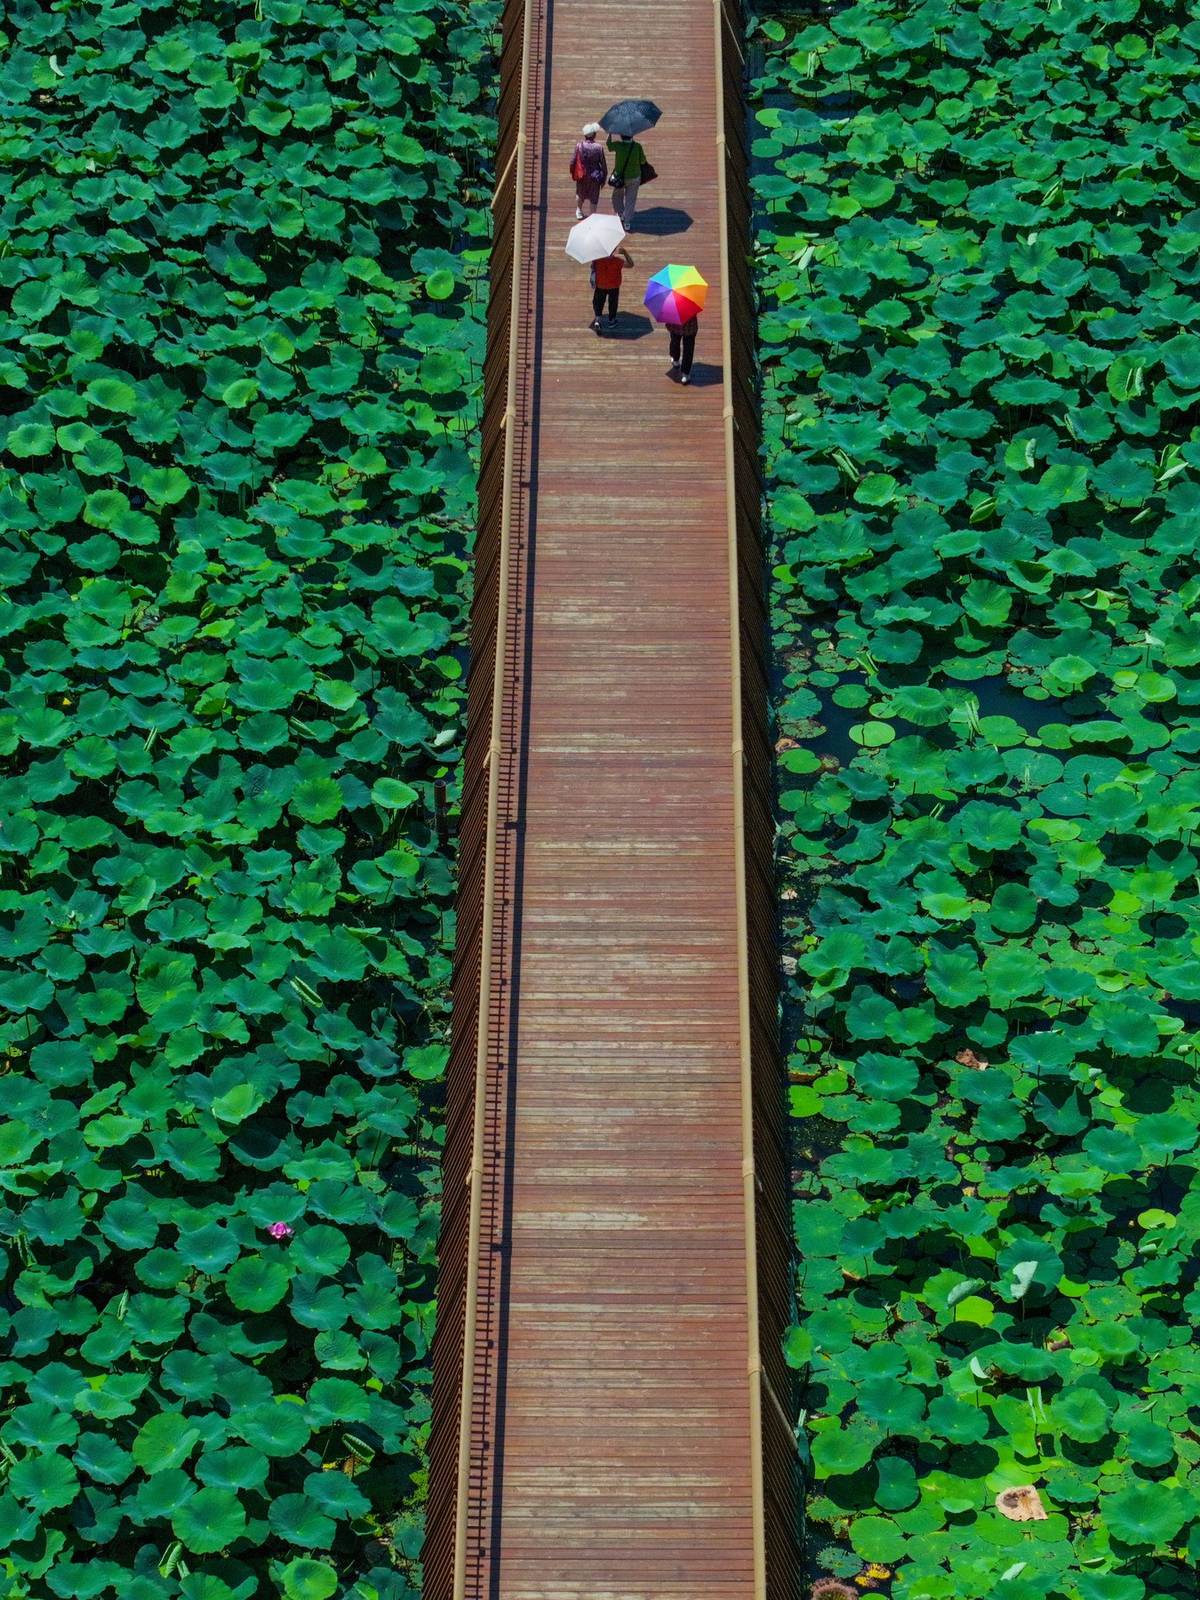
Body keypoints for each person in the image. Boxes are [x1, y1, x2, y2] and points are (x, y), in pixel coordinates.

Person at [590, 245, 634, 332]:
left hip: (600, 285)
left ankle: (598, 320)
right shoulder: (617, 261)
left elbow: (592, 267)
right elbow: (631, 264)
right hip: (614, 286)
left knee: (598, 302)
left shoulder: (597, 260)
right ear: (613, 250)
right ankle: (611, 320)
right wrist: (625, 252)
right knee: (613, 303)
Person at [607, 132, 645, 229]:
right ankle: (627, 222)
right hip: (634, 177)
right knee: (630, 200)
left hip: (620, 177)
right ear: (632, 136)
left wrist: (610, 134)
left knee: (616, 196)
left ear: (621, 136)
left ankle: (620, 214)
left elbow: (609, 145)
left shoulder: (618, 145)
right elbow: (643, 161)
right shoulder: (637, 146)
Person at [571, 122, 607, 219]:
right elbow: (603, 165)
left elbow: (573, 161)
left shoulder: (579, 146)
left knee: (580, 193)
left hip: (582, 174)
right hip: (595, 177)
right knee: (594, 197)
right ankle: (592, 216)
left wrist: (573, 173)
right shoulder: (599, 147)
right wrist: (603, 179)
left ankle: (579, 210)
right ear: (594, 135)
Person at [665, 312, 698, 384]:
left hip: (676, 324)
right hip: (689, 325)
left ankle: (677, 361)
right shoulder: (692, 301)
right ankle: (685, 374)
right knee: (687, 349)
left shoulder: (671, 301)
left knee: (676, 343)